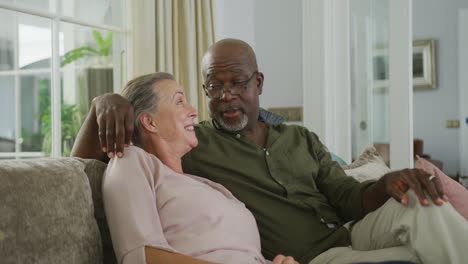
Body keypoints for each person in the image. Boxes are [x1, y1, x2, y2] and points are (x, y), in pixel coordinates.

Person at [72, 39, 468, 264]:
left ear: (257, 82)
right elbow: (95, 162)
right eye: (213, 86)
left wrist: (388, 182)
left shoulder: (301, 138)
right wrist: (104, 102)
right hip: (309, 257)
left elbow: (349, 199)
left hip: (351, 232)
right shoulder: (194, 144)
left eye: (237, 83)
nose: (225, 96)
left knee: (422, 200)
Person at [98, 72, 298, 264]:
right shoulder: (131, 161)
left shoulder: (206, 185)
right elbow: (141, 257)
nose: (193, 111)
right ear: (150, 122)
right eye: (179, 102)